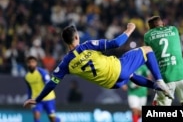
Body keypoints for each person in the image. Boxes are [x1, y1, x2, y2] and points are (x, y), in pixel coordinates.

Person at [23, 23, 171, 108]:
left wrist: (37, 99)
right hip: (118, 69)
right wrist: (129, 29)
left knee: (131, 74)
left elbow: (51, 84)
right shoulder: (87, 45)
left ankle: (155, 86)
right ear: (76, 37)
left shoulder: (65, 63)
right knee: (147, 50)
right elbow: (116, 43)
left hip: (113, 84)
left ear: (65, 42)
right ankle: (159, 81)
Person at [144, 16, 183, 106]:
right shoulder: (174, 30)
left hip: (166, 77)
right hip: (182, 74)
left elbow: (150, 53)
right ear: (163, 24)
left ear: (150, 28)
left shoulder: (147, 36)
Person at [24, 56, 61, 122]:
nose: (31, 64)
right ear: (27, 64)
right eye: (29, 62)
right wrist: (29, 99)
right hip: (36, 100)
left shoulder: (42, 73)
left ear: (36, 63)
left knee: (52, 119)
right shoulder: (27, 77)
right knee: (36, 117)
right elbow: (29, 89)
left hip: (49, 98)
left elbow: (48, 85)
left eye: (33, 62)